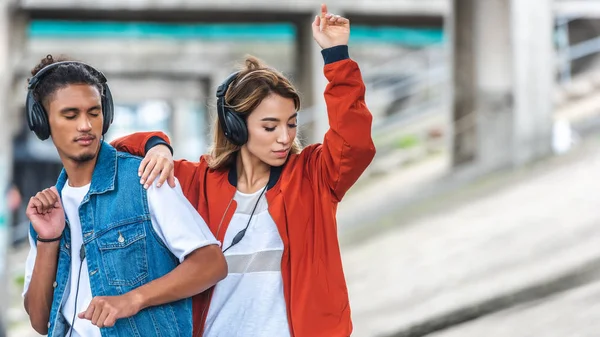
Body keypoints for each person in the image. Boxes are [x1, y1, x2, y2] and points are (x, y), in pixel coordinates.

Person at [111, 4, 375, 336]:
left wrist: (336, 54)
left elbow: (356, 141)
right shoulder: (198, 183)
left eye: (291, 124)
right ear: (236, 128)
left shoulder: (313, 176)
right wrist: (156, 144)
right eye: (270, 126)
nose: (284, 137)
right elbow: (113, 152)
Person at [21, 55, 227, 337]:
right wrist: (48, 239)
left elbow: (211, 263)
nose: (85, 125)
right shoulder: (47, 210)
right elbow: (40, 322)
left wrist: (133, 299)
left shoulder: (145, 179)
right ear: (42, 122)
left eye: (94, 113)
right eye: (70, 115)